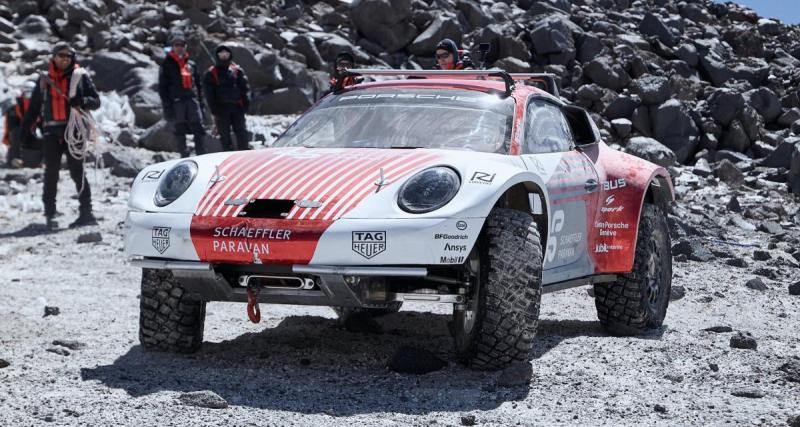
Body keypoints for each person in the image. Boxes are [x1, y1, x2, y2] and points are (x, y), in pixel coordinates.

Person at [21, 43, 101, 229]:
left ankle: (86, 212)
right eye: (61, 55)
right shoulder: (44, 80)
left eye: (68, 56)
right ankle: (50, 212)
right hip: (51, 132)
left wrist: (82, 101)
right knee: (51, 173)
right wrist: (25, 132)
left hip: (74, 131)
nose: (65, 58)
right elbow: (33, 108)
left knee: (77, 171)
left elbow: (96, 101)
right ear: (54, 57)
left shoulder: (80, 77)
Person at [158, 32, 207, 157]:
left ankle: (201, 153)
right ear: (173, 47)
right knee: (179, 129)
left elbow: (198, 85)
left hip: (191, 99)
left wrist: (201, 103)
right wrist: (167, 106)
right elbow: (163, 87)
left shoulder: (191, 64)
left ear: (185, 46)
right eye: (176, 44)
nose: (179, 47)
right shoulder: (167, 64)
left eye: (182, 44)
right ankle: (183, 155)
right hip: (176, 100)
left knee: (199, 127)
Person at [203, 44, 250, 151]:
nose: (224, 56)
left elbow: (245, 88)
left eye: (226, 53)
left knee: (242, 133)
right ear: (217, 55)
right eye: (221, 54)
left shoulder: (237, 71)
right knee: (225, 136)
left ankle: (245, 154)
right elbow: (208, 94)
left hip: (237, 107)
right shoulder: (210, 73)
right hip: (221, 110)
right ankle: (228, 156)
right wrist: (214, 110)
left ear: (230, 55)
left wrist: (246, 104)